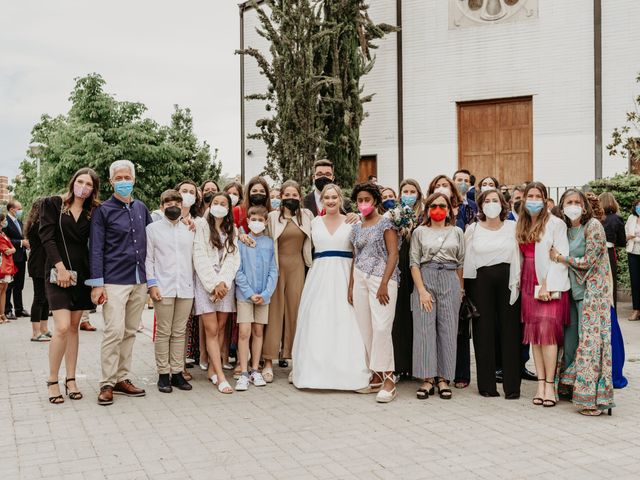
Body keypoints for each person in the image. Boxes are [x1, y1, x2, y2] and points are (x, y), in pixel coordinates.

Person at [293, 184, 369, 390]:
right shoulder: (314, 222)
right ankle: (315, 371)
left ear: (340, 199)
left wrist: (353, 284)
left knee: (346, 320)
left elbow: (357, 253)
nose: (331, 201)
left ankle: (347, 372)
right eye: (327, 197)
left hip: (344, 273)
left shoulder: (352, 221)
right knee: (318, 319)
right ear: (322, 200)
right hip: (319, 275)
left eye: (334, 197)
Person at [88, 160, 151, 406]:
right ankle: (106, 382)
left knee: (130, 332)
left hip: (139, 279)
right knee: (114, 331)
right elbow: (96, 248)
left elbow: (153, 241)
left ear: (133, 180)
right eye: (119, 178)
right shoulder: (103, 211)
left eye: (128, 177)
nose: (124, 181)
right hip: (114, 279)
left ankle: (122, 378)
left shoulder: (141, 208)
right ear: (112, 181)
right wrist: (97, 284)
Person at [553, 189, 614, 415]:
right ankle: (570, 387)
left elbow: (589, 260)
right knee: (570, 343)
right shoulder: (565, 230)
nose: (573, 205)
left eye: (577, 202)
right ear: (562, 206)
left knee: (589, 345)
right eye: (568, 202)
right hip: (571, 293)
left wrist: (561, 258)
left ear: (585, 206)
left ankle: (591, 398)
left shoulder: (593, 226)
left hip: (592, 295)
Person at [42, 168, 100, 404]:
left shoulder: (92, 212)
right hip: (58, 273)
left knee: (75, 327)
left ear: (93, 190)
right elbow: (47, 237)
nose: (83, 187)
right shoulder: (54, 204)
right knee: (62, 327)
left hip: (81, 275)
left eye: (89, 184)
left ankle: (71, 379)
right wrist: (60, 267)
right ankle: (53, 380)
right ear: (73, 182)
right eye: (80, 181)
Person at [516, 181, 570, 408]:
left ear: (546, 199)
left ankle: (550, 384)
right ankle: (540, 384)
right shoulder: (521, 224)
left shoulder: (556, 224)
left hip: (549, 281)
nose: (534, 200)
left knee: (548, 333)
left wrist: (548, 284)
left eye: (538, 196)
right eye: (530, 196)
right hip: (528, 282)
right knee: (535, 337)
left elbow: (561, 256)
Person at [463, 190, 521, 399]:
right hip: (480, 282)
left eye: (495, 200)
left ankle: (512, 386)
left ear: (502, 204)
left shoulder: (512, 227)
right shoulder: (473, 229)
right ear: (480, 206)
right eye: (487, 201)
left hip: (508, 280)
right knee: (483, 331)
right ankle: (487, 385)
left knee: (510, 331)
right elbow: (466, 259)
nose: (491, 204)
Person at [410, 192, 465, 400]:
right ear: (427, 209)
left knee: (448, 329)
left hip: (450, 278)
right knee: (424, 329)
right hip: (426, 277)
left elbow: (461, 263)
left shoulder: (457, 231)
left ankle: (443, 378)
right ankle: (427, 378)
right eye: (433, 205)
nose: (438, 209)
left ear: (449, 209)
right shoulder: (419, 232)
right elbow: (414, 262)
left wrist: (460, 289)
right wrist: (422, 290)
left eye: (442, 205)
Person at [349, 182, 400, 403]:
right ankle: (376, 375)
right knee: (366, 328)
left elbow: (393, 254)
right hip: (360, 277)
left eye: (366, 200)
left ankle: (390, 379)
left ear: (376, 201)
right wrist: (351, 284)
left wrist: (384, 283)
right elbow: (355, 256)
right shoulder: (356, 228)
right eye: (359, 200)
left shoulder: (386, 223)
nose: (363, 204)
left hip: (382, 278)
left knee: (381, 328)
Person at [146, 189, 195, 393]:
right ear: (161, 206)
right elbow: (149, 258)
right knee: (163, 332)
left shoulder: (190, 230)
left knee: (179, 332)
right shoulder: (153, 229)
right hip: (163, 287)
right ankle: (163, 374)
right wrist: (152, 284)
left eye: (177, 203)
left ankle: (177, 373)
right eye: (168, 203)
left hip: (185, 287)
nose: (173, 207)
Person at [263, 180, 313, 382]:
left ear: (300, 197)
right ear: (280, 197)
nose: (290, 198)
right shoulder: (272, 217)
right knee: (274, 313)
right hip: (276, 268)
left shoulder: (307, 216)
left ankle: (294, 361)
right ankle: (268, 361)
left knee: (295, 313)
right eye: (287, 195)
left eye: (294, 195)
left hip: (298, 267)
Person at [193, 192, 240, 394]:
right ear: (210, 205)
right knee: (211, 330)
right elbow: (199, 255)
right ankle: (221, 377)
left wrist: (223, 282)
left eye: (223, 203)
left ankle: (212, 369)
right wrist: (213, 284)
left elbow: (233, 258)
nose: (219, 205)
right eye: (215, 202)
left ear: (229, 208)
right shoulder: (201, 226)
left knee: (221, 328)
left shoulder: (232, 229)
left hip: (225, 285)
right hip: (206, 284)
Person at [234, 205, 278, 391]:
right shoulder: (242, 242)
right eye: (254, 220)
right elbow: (238, 269)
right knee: (245, 332)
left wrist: (266, 293)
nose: (257, 223)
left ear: (265, 222)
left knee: (258, 332)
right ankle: (243, 372)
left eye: (261, 220)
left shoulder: (269, 242)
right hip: (245, 295)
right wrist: (249, 292)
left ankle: (255, 369)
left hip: (263, 296)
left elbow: (273, 270)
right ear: (248, 221)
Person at [391, 179, 423, 378]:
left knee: (415, 319)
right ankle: (399, 364)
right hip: (399, 266)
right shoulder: (393, 214)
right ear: (400, 194)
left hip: (417, 268)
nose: (408, 194)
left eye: (412, 191)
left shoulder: (423, 217)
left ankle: (415, 365)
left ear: (418, 195)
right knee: (399, 317)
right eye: (405, 191)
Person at [23, 198, 51, 341]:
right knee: (39, 297)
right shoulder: (38, 225)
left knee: (46, 298)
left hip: (42, 263)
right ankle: (35, 332)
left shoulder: (37, 223)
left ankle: (44, 328)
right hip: (38, 264)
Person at [599, 192, 626, 309]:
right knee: (611, 284)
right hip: (609, 252)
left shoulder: (596, 218)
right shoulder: (617, 218)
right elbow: (622, 241)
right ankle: (612, 314)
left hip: (596, 253)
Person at [3, 199, 29, 319]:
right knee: (10, 285)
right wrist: (20, 242)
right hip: (11, 257)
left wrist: (26, 242)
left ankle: (19, 309)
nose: (20, 211)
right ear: (12, 209)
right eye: (19, 209)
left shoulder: (19, 221)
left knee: (20, 284)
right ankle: (7, 309)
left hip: (21, 257)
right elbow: (4, 240)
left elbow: (23, 236)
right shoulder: (5, 222)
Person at [0, 214, 17, 324]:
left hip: (7, 264)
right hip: (1, 264)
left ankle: (2, 314)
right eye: (4, 220)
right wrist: (11, 250)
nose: (5, 221)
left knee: (4, 290)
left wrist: (12, 249)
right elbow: (6, 250)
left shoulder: (3, 234)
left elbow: (12, 249)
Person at [625, 198, 640, 321]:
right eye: (637, 206)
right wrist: (629, 237)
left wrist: (635, 238)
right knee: (635, 283)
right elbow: (626, 233)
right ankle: (636, 310)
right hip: (633, 253)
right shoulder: (631, 218)